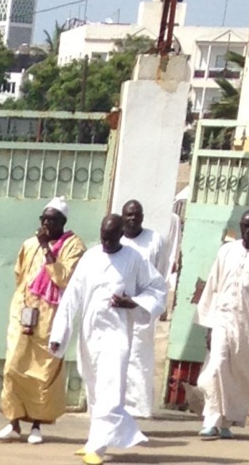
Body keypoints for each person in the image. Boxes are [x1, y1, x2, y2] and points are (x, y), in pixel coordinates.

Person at [50, 213, 167, 465]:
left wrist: (131, 302)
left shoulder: (135, 259)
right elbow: (72, 297)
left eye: (111, 237)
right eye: (103, 236)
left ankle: (99, 448)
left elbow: (157, 288)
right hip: (90, 334)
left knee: (110, 388)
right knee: (94, 388)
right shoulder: (90, 258)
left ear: (121, 235)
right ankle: (95, 438)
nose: (106, 241)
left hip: (117, 335)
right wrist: (59, 334)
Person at [0, 196, 85, 444]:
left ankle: (36, 426)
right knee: (13, 365)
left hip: (51, 318)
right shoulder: (29, 244)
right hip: (24, 314)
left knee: (42, 373)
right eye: (43, 218)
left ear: (63, 222)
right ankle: (12, 422)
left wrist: (46, 248)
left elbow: (64, 278)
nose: (45, 223)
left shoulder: (74, 246)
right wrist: (24, 304)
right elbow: (20, 275)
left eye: (51, 219)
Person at [195, 208, 249, 439]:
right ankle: (212, 419)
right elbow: (213, 287)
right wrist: (209, 325)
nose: (248, 230)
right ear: (240, 226)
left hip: (248, 324)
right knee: (217, 364)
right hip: (223, 319)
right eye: (244, 225)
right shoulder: (226, 252)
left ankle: (227, 421)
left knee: (237, 373)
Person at [121, 199, 168, 418]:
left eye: (136, 215)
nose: (132, 219)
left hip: (142, 308)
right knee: (119, 355)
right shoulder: (117, 240)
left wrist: (146, 302)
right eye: (128, 215)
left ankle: (139, 407)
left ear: (142, 217)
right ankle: (119, 404)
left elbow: (160, 274)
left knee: (139, 356)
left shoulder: (154, 240)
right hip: (118, 309)